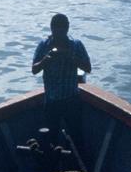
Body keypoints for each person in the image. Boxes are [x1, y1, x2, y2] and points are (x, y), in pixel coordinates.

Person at [32, 13, 92, 155]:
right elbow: (34, 69)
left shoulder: (76, 45)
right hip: (51, 101)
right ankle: (51, 167)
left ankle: (78, 165)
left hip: (71, 99)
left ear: (67, 29)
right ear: (52, 29)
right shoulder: (44, 45)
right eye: (56, 30)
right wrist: (46, 60)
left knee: (77, 137)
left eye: (62, 30)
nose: (59, 34)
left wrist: (72, 59)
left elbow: (88, 68)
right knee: (50, 139)